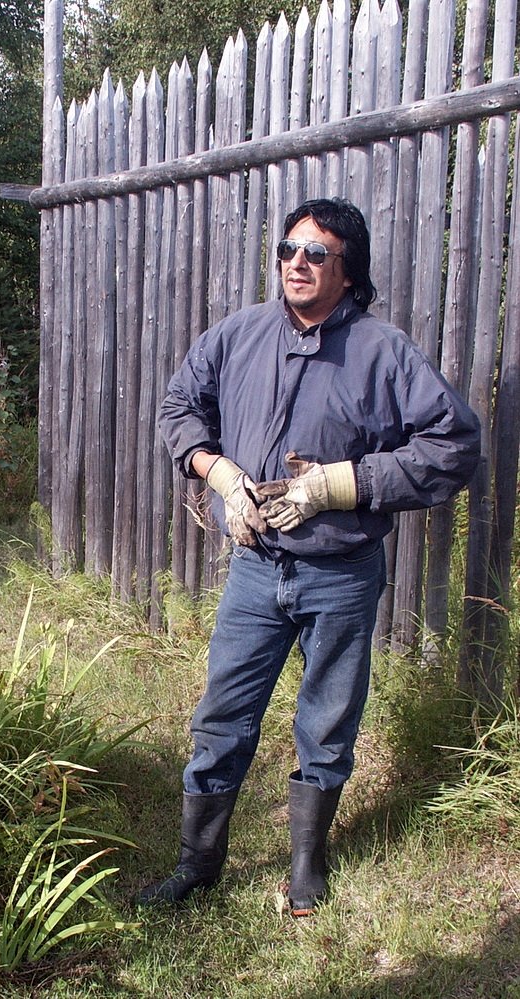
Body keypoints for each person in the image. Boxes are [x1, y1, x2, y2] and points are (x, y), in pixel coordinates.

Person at [138, 198, 480, 915]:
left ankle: (306, 862)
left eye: (315, 252)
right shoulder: (239, 335)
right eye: (288, 250)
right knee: (221, 715)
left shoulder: (383, 352)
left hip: (341, 572)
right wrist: (217, 471)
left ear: (347, 269)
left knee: (326, 717)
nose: (297, 262)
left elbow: (454, 445)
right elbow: (178, 406)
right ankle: (198, 865)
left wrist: (344, 483)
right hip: (257, 569)